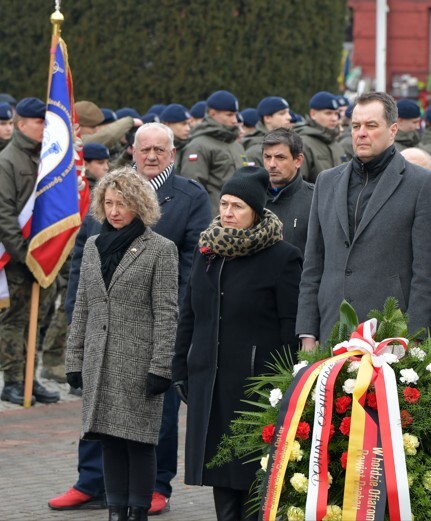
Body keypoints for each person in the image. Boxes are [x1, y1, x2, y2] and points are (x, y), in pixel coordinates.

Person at [50, 122, 212, 515]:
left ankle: (155, 488)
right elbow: (82, 266)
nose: (152, 155)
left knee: (154, 420)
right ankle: (92, 483)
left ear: (172, 153)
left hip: (153, 330)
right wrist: (77, 316)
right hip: (102, 332)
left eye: (160, 149)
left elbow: (193, 266)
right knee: (98, 417)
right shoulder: (108, 193)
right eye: (145, 149)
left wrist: (175, 332)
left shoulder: (190, 197)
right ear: (133, 152)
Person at [172, 166, 301, 521]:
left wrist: (286, 380)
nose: (227, 212)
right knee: (219, 468)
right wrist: (180, 365)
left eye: (237, 207)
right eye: (224, 204)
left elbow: (289, 324)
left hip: (255, 384)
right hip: (210, 380)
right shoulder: (209, 250)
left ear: (256, 211)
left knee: (252, 472)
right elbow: (190, 313)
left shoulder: (283, 257)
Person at [65, 168, 179, 521]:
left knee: (139, 440)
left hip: (138, 360)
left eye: (123, 204)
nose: (114, 211)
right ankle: (116, 510)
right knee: (109, 439)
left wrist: (161, 366)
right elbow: (83, 303)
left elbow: (166, 312)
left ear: (140, 205)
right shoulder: (94, 246)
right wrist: (74, 357)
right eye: (109, 203)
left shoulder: (161, 248)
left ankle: (138, 511)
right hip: (100, 358)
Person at [297, 91, 431, 350]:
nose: (361, 133)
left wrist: (415, 338)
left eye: (371, 125)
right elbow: (313, 264)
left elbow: (428, 272)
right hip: (331, 330)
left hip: (390, 336)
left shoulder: (422, 184)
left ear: (393, 130)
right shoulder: (326, 181)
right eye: (355, 126)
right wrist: (307, 332)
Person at [0, 97, 61, 406]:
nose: (44, 127)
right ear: (22, 124)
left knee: (37, 320)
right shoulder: (7, 161)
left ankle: (29, 378)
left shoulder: (48, 158)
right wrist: (24, 256)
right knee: (15, 319)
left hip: (43, 256)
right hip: (17, 257)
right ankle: (12, 381)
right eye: (39, 122)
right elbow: (5, 215)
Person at [180, 90, 249, 214]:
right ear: (212, 113)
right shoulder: (198, 146)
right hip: (216, 221)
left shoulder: (236, 145)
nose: (234, 120)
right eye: (229, 115)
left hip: (242, 219)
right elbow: (192, 191)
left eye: (235, 114)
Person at [261, 128, 314, 256]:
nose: (272, 164)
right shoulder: (251, 197)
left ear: (298, 160)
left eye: (280, 157)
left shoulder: (316, 199)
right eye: (267, 157)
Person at [296, 91, 347, 183]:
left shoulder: (336, 144)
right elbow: (299, 185)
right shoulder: (303, 143)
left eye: (336, 114)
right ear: (313, 114)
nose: (334, 118)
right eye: (328, 113)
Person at [242, 96, 291, 168]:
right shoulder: (254, 152)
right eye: (282, 113)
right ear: (267, 118)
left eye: (288, 112)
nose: (289, 117)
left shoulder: (290, 141)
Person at [159, 103, 193, 169]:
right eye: (183, 124)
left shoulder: (191, 146)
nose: (188, 128)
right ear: (167, 124)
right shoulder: (155, 148)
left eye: (189, 124)